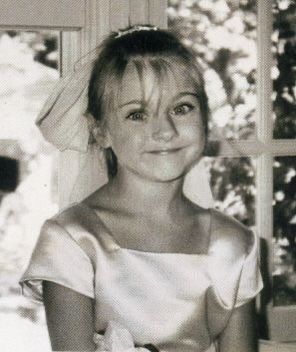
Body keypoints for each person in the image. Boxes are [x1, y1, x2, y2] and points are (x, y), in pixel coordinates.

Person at [20, 26, 263, 352]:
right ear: (101, 130)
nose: (164, 130)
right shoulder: (73, 241)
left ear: (205, 116)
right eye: (138, 114)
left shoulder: (233, 245)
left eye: (182, 108)